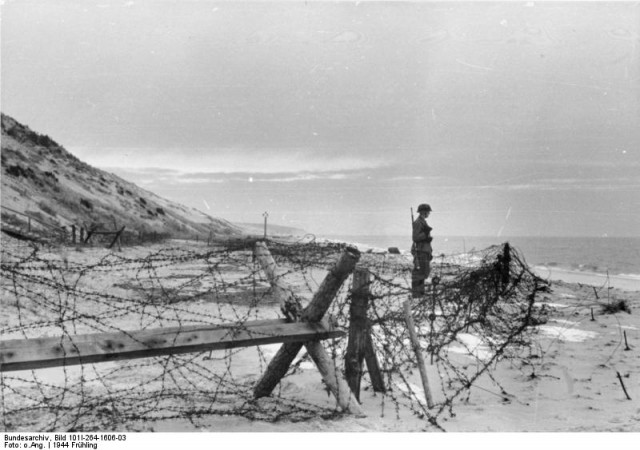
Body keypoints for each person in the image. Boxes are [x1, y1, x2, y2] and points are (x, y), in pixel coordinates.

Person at [411, 203, 433, 297]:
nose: (429, 213)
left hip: (424, 250)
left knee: (424, 272)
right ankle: (417, 294)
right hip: (421, 251)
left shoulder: (422, 221)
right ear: (424, 212)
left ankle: (420, 292)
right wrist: (425, 234)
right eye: (428, 212)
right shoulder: (418, 222)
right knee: (420, 272)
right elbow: (415, 237)